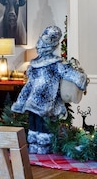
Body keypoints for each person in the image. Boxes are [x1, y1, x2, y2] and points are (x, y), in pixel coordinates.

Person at [12, 25, 88, 153]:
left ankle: (42, 147)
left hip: (45, 101)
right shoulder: (35, 65)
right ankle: (34, 145)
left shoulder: (56, 64)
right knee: (34, 122)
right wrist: (22, 99)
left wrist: (81, 79)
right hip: (35, 100)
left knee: (42, 124)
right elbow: (30, 84)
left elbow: (70, 74)